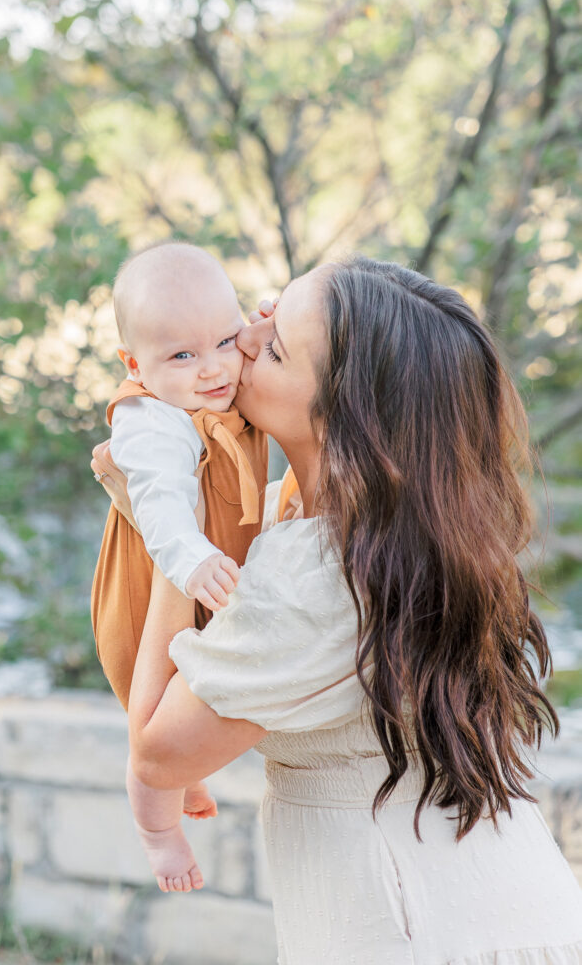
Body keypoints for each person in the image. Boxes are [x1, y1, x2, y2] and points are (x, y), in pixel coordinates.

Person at [128, 256, 582, 962]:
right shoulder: (407, 534)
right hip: (505, 914)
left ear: (344, 421)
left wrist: (170, 538)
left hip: (411, 933)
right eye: (269, 308)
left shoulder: (317, 581)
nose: (245, 336)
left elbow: (158, 751)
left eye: (275, 346)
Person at [91, 242, 267, 893]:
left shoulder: (224, 375)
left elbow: (265, 345)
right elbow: (160, 506)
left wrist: (267, 325)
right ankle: (158, 833)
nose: (213, 368)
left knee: (186, 699)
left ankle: (187, 773)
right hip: (156, 574)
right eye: (181, 356)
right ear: (135, 364)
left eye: (225, 338)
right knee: (150, 723)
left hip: (212, 567)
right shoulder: (150, 420)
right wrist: (191, 561)